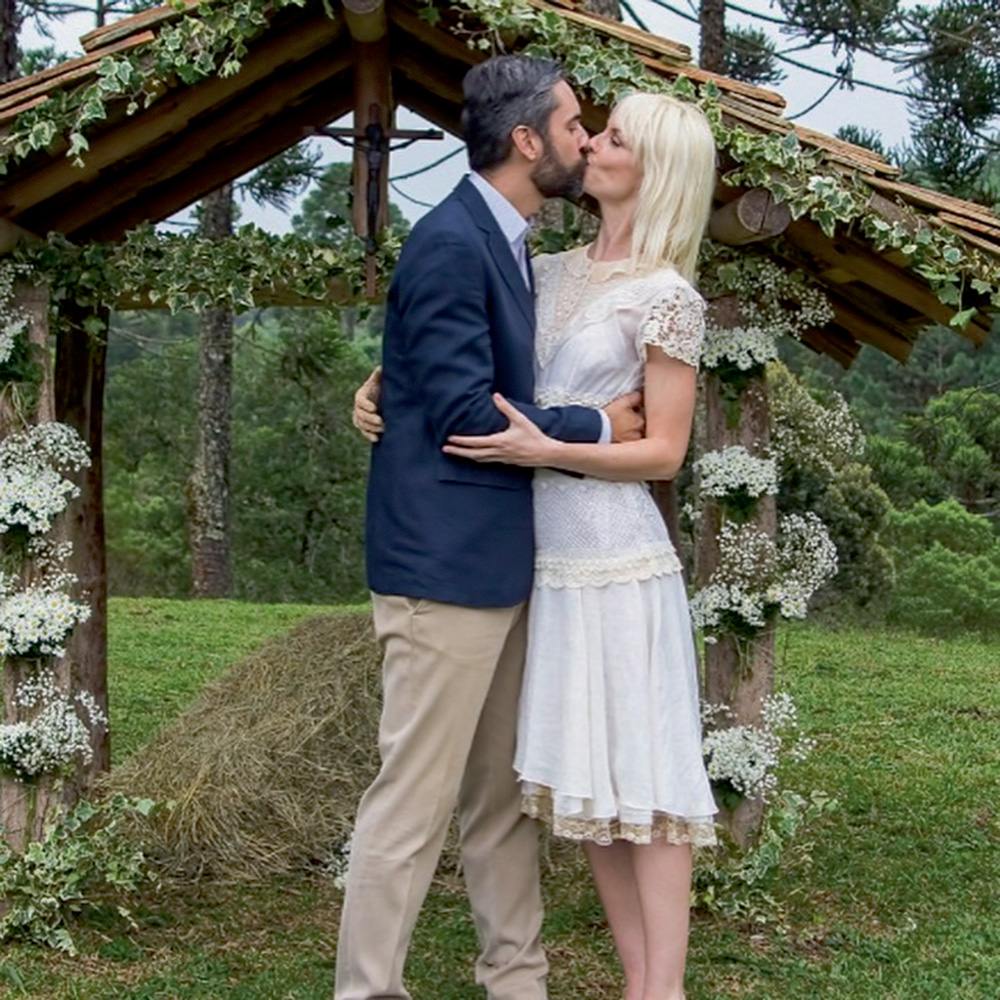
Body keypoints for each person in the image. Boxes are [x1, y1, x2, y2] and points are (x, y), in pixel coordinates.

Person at [336, 56, 643, 1000]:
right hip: (442, 573)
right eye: (572, 123)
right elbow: (468, 414)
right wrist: (598, 426)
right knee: (412, 802)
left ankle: (517, 982)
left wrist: (391, 383)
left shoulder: (508, 241)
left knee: (503, 802)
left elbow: (430, 375)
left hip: (506, 565)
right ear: (526, 140)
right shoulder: (451, 242)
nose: (584, 139)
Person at [441, 91, 719, 1000]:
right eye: (594, 130)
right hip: (546, 562)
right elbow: (473, 357)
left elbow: (665, 451)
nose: (590, 143)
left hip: (618, 559)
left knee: (648, 776)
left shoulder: (669, 296)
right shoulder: (545, 270)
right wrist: (383, 384)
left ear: (654, 169)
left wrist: (550, 449)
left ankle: (662, 989)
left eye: (612, 138)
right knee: (591, 784)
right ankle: (638, 981)